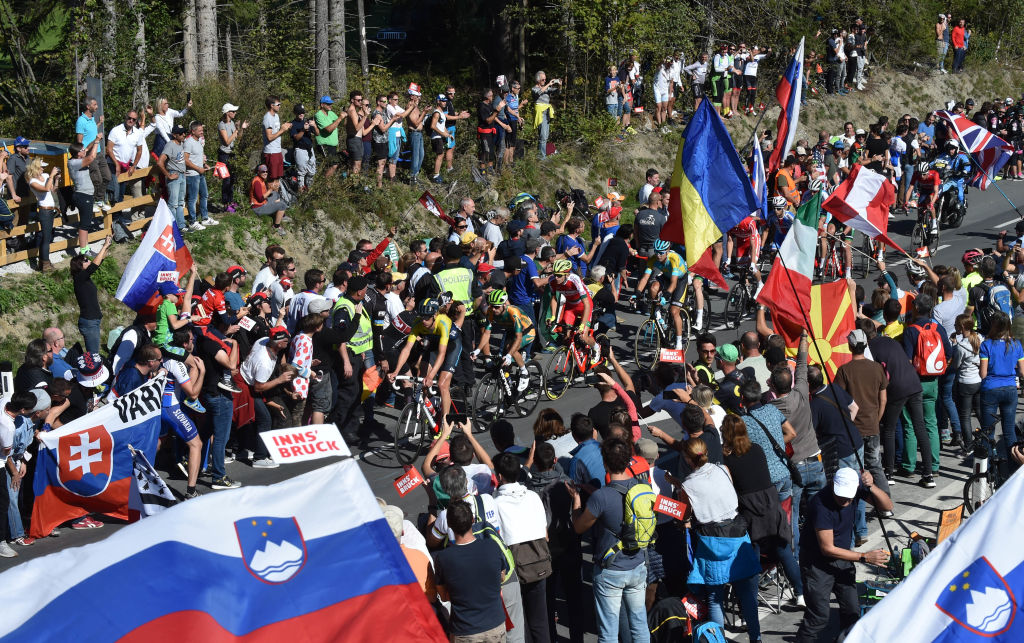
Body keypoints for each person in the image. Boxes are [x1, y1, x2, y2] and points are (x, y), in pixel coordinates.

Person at [795, 468, 892, 643]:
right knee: (818, 617)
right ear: (833, 485)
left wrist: (872, 486)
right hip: (817, 564)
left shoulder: (856, 491)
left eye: (850, 496)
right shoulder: (820, 504)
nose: (846, 500)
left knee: (852, 612)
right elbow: (827, 548)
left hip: (843, 559)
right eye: (841, 495)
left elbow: (887, 506)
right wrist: (864, 557)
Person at [679, 437, 762, 640]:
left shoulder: (687, 485)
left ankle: (717, 639)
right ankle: (756, 638)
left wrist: (677, 487)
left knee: (715, 598)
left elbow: (686, 515)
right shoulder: (723, 469)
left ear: (688, 459)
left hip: (711, 543)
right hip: (737, 536)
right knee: (747, 595)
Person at [567, 438, 650, 643]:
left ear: (605, 463)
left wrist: (576, 501)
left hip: (610, 571)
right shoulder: (641, 487)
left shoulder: (601, 497)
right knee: (639, 625)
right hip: (638, 564)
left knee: (609, 633)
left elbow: (579, 527)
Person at [722, 415, 804, 607]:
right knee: (784, 551)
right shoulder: (757, 450)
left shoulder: (727, 458)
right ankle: (801, 593)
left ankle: (748, 603)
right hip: (772, 509)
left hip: (750, 513)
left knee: (751, 558)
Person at [433, 500, 510, 643]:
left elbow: (443, 596)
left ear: (449, 525)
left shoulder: (443, 558)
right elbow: (502, 576)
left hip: (465, 631)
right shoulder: (492, 546)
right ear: (472, 520)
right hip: (495, 626)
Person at [979, 311, 1024, 459]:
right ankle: (1012, 467)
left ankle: (987, 470)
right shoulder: (1016, 344)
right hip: (1010, 389)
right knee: (1009, 431)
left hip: (991, 389)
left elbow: (983, 374)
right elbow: (1022, 371)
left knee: (988, 432)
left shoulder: (986, 345)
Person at [75, 97, 111, 210]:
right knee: (97, 179)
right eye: (95, 104)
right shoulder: (81, 121)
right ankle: (94, 201)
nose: (97, 107)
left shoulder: (91, 119)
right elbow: (80, 141)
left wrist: (99, 123)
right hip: (90, 154)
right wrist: (84, 153)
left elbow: (91, 131)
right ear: (88, 107)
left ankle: (100, 200)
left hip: (99, 152)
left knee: (107, 177)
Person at [67, 137, 102, 252]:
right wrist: (97, 142)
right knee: (84, 224)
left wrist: (96, 139)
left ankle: (86, 248)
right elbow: (92, 157)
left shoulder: (77, 158)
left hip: (85, 195)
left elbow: (88, 149)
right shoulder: (74, 163)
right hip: (83, 196)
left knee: (85, 223)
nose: (84, 151)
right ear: (77, 153)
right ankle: (83, 251)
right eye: (82, 150)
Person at [25, 158, 60, 272]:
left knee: (46, 236)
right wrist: (51, 176)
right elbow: (45, 189)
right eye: (42, 166)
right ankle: (45, 265)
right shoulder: (32, 182)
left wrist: (56, 180)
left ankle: (43, 262)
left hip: (50, 210)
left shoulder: (45, 176)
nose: (44, 168)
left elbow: (52, 190)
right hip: (44, 211)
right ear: (35, 168)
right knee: (46, 238)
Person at [156, 125, 190, 231]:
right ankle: (173, 227)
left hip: (182, 175)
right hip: (174, 175)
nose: (183, 135)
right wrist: (168, 175)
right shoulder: (170, 145)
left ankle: (181, 225)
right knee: (173, 203)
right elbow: (160, 162)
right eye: (181, 133)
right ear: (174, 135)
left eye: (184, 132)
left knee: (180, 202)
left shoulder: (182, 144)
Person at [183, 121, 215, 230]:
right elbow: (185, 160)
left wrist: (204, 165)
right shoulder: (188, 142)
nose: (202, 132)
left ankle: (205, 218)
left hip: (200, 173)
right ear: (193, 131)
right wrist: (198, 168)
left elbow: (197, 158)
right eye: (200, 130)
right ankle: (192, 221)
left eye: (202, 130)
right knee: (192, 199)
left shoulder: (198, 142)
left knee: (204, 195)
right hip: (192, 174)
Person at [217, 103, 248, 210]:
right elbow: (226, 142)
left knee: (233, 179)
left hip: (232, 153)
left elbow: (237, 139)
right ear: (227, 113)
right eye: (233, 111)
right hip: (224, 155)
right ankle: (225, 203)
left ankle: (230, 201)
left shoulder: (232, 123)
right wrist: (235, 130)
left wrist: (241, 128)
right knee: (226, 179)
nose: (235, 113)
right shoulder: (222, 125)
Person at [249, 164, 288, 235]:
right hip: (258, 208)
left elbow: (264, 194)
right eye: (263, 171)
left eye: (266, 171)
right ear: (258, 172)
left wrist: (271, 191)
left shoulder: (260, 179)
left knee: (275, 194)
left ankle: (281, 214)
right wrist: (270, 190)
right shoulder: (257, 182)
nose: (265, 173)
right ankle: (276, 226)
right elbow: (260, 199)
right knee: (282, 205)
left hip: (262, 203)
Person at [262, 96, 292, 180]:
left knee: (278, 178)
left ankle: (276, 193)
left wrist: (285, 126)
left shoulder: (276, 116)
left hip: (278, 151)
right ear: (272, 105)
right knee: (272, 179)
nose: (280, 106)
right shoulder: (267, 118)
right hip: (271, 152)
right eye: (278, 104)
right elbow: (269, 137)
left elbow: (276, 132)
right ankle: (271, 193)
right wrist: (282, 130)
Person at [532, 71, 560, 158]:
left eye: (545, 79)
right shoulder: (534, 89)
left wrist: (559, 85)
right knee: (543, 136)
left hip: (547, 113)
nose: (544, 81)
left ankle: (540, 155)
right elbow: (539, 93)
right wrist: (548, 84)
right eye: (543, 79)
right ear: (538, 80)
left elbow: (557, 92)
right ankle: (541, 157)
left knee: (545, 136)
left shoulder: (546, 88)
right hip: (541, 114)